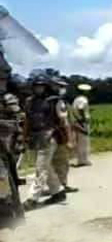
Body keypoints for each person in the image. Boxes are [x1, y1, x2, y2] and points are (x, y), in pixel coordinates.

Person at [23, 76, 66, 210]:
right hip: (35, 137)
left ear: (46, 87)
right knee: (46, 167)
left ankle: (32, 198)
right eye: (36, 86)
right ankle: (58, 192)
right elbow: (27, 121)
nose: (39, 88)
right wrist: (24, 136)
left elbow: (63, 121)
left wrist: (68, 139)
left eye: (41, 86)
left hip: (49, 136)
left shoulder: (54, 102)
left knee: (40, 168)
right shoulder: (29, 102)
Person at [0, 66, 25, 226]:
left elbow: (19, 121)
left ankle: (12, 215)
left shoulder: (8, 99)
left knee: (5, 180)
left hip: (3, 146)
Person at [49, 78, 77, 194]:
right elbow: (64, 121)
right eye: (60, 86)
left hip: (46, 136)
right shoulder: (59, 102)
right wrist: (70, 138)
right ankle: (61, 185)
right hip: (59, 135)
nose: (63, 89)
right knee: (62, 161)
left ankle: (54, 186)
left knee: (50, 162)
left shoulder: (43, 100)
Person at [70, 83, 92, 167]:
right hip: (82, 122)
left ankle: (80, 159)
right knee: (84, 141)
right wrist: (83, 119)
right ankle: (84, 160)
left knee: (79, 141)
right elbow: (81, 108)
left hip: (76, 121)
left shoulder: (76, 99)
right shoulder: (83, 99)